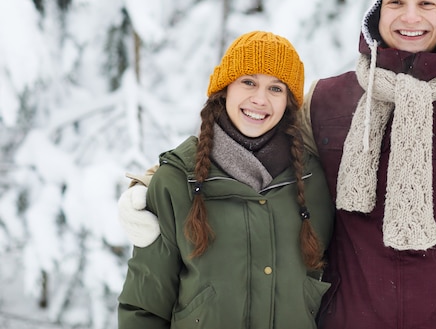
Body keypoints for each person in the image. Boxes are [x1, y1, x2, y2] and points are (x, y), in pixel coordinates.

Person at [119, 0, 436, 329]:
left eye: (427, 3)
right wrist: (155, 181)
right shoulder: (327, 101)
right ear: (375, 12)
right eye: (395, 2)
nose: (411, 17)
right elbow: (253, 152)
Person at [117, 31, 334, 329]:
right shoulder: (176, 182)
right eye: (248, 82)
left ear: (288, 102)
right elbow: (144, 307)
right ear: (225, 89)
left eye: (275, 88)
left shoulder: (314, 182)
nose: (260, 99)